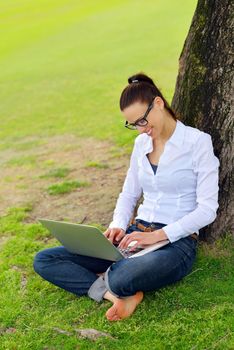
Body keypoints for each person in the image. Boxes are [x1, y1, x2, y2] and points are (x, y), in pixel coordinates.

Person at [33, 72, 220, 322]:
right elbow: (129, 193)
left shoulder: (197, 142)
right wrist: (118, 226)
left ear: (158, 104)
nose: (141, 130)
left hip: (175, 243)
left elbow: (207, 209)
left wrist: (156, 235)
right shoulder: (141, 144)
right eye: (134, 124)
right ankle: (115, 295)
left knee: (122, 276)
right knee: (45, 259)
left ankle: (110, 277)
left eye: (142, 121)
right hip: (132, 237)